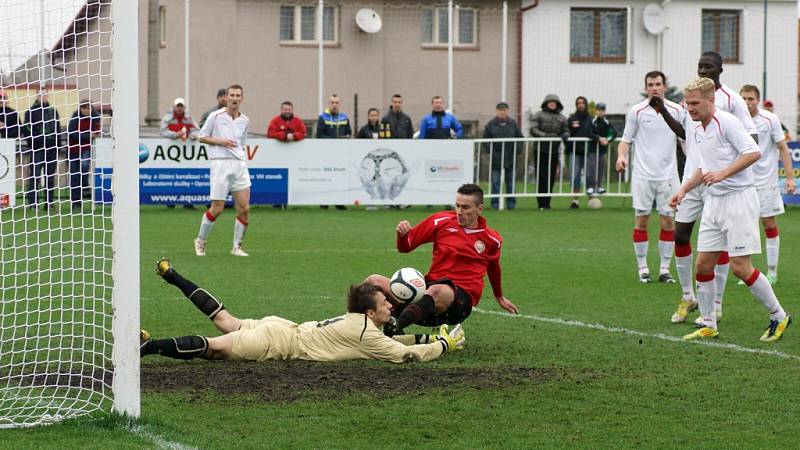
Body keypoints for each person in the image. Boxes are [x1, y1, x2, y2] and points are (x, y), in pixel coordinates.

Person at [141, 258, 465, 363]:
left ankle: (171, 275)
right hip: (280, 342)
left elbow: (399, 341)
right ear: (369, 312)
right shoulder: (365, 333)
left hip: (282, 326)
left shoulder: (360, 323)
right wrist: (442, 345)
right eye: (386, 304)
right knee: (214, 347)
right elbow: (405, 355)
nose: (392, 306)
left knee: (224, 318)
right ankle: (149, 346)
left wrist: (427, 335)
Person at [669, 77, 791, 342]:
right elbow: (702, 168)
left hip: (739, 200)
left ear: (711, 100)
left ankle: (779, 316)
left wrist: (723, 174)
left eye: (695, 103)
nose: (689, 108)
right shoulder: (698, 128)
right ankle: (709, 323)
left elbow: (753, 152)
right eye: (687, 103)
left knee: (740, 267)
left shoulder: (728, 122)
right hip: (714, 202)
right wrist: (683, 190)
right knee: (703, 264)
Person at [657, 52, 758, 324]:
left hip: (721, 182)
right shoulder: (692, 98)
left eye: (709, 66)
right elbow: (686, 134)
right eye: (700, 65)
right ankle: (688, 296)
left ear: (720, 69)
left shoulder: (732, 100)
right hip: (694, 176)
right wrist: (664, 111)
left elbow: (751, 140)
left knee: (721, 244)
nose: (704, 69)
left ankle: (715, 303)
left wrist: (726, 169)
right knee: (680, 235)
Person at [364, 184, 519, 336]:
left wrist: (499, 296)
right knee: (373, 281)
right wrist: (403, 236)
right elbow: (407, 246)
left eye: (465, 207)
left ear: (479, 209)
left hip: (460, 301)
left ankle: (395, 327)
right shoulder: (441, 221)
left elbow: (493, 267)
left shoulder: (491, 239)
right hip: (428, 293)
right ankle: (356, 330)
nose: (459, 211)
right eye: (457, 206)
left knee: (437, 290)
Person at [616, 71, 683, 284]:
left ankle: (665, 269)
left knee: (668, 222)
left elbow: (684, 140)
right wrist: (621, 157)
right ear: (646, 87)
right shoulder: (636, 111)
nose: (654, 88)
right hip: (643, 175)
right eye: (650, 84)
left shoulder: (676, 110)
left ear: (664, 86)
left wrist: (695, 164)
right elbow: (626, 139)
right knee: (642, 220)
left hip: (668, 175)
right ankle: (643, 268)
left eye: (658, 84)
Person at [738, 84, 796, 285]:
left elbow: (783, 149)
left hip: (767, 183)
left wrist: (789, 178)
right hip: (744, 184)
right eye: (744, 98)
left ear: (758, 99)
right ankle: (748, 271)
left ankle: (772, 271)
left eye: (750, 99)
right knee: (746, 228)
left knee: (769, 224)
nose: (747, 102)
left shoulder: (770, 119)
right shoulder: (736, 120)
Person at [194, 84, 251, 257]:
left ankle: (237, 247)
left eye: (237, 95)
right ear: (226, 97)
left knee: (244, 208)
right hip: (220, 164)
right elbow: (201, 137)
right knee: (217, 208)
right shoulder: (215, 116)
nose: (234, 98)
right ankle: (200, 241)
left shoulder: (245, 120)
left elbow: (242, 142)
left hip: (239, 164)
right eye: (231, 95)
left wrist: (238, 155)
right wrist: (221, 142)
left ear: (242, 98)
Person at [529, 94, 569, 210]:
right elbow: (533, 129)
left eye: (554, 102)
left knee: (551, 177)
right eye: (550, 102)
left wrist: (566, 134)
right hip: (540, 150)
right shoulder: (539, 115)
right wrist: (545, 136)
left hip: (554, 151)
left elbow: (566, 130)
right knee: (541, 176)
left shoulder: (562, 117)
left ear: (557, 104)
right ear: (546, 103)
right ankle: (540, 203)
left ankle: (547, 203)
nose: (552, 104)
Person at [23, 90, 61, 210]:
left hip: (51, 149)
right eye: (40, 94)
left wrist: (57, 145)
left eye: (45, 94)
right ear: (37, 96)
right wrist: (34, 143)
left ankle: (49, 203)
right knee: (35, 177)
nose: (43, 96)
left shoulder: (53, 111)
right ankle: (33, 203)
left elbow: (58, 128)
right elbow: (26, 129)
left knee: (50, 177)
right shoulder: (30, 112)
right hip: (37, 150)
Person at [482, 102, 523, 210]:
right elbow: (485, 140)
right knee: (495, 182)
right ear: (497, 111)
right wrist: (490, 151)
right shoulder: (491, 124)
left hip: (510, 157)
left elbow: (520, 138)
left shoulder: (513, 123)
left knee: (511, 182)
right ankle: (495, 204)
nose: (502, 112)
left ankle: (511, 204)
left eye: (504, 110)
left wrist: (517, 151)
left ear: (507, 111)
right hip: (496, 158)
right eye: (500, 110)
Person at [161, 97, 200, 209]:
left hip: (187, 152)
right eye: (177, 106)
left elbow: (197, 130)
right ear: (174, 107)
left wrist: (194, 136)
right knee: (170, 176)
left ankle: (188, 203)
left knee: (188, 176)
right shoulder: (167, 118)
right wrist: (175, 134)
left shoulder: (189, 118)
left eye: (181, 106)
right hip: (170, 153)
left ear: (184, 107)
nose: (179, 108)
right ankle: (170, 202)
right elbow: (163, 132)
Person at [316, 94, 351, 210]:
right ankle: (324, 202)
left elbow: (349, 133)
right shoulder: (322, 118)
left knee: (339, 178)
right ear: (329, 104)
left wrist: (345, 138)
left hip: (341, 154)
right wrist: (334, 142)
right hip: (326, 153)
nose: (334, 105)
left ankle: (339, 202)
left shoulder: (344, 118)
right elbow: (319, 135)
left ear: (339, 104)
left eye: (336, 103)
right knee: (326, 177)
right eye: (332, 102)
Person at [66, 100, 101, 210]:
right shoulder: (75, 118)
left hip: (86, 148)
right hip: (73, 149)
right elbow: (72, 134)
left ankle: (85, 187)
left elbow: (96, 132)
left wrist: (84, 136)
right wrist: (87, 136)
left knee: (84, 166)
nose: (86, 110)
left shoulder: (95, 118)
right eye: (84, 108)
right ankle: (76, 202)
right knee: (74, 175)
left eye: (88, 108)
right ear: (80, 109)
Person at [566, 96, 593, 209]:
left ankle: (592, 199)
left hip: (588, 152)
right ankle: (575, 201)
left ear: (585, 104)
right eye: (578, 103)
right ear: (576, 105)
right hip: (575, 152)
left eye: (582, 103)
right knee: (575, 176)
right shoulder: (572, 118)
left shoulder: (591, 118)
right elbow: (567, 133)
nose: (580, 105)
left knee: (589, 176)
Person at [587, 103, 616, 195]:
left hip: (602, 150)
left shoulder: (606, 122)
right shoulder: (592, 121)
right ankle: (591, 187)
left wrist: (607, 140)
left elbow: (613, 133)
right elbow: (589, 133)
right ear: (596, 111)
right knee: (592, 168)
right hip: (592, 149)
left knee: (600, 168)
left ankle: (599, 186)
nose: (600, 112)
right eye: (599, 110)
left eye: (602, 110)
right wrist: (598, 138)